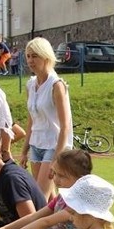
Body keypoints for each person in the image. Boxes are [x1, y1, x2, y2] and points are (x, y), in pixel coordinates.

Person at [18, 37, 73, 201]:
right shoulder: (30, 85)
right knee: (48, 198)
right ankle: (60, 225)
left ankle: (36, 227)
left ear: (46, 57)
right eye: (28, 56)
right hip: (36, 143)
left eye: (35, 56)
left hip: (54, 144)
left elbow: (65, 126)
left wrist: (57, 157)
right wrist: (24, 151)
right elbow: (31, 120)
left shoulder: (57, 85)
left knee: (39, 197)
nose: (30, 60)